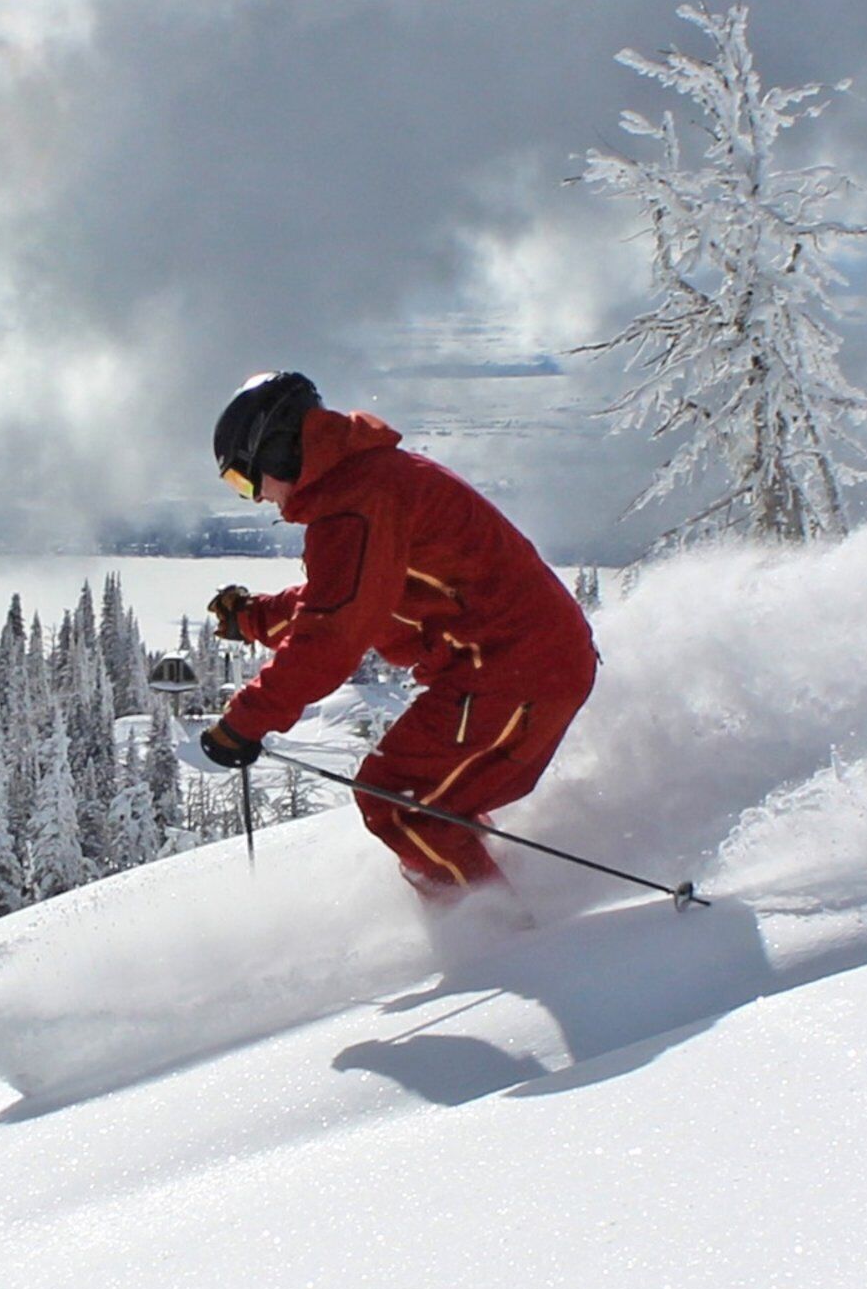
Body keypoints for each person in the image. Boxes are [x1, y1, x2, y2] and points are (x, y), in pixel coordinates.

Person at [197, 370, 598, 897]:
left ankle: (498, 939)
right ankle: (500, 908)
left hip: (514, 670)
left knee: (399, 801)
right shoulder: (368, 482)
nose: (255, 498)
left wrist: (245, 722)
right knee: (424, 802)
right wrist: (253, 618)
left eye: (245, 481)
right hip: (515, 664)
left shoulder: (355, 504)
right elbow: (352, 599)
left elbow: (335, 633)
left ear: (276, 451)